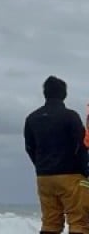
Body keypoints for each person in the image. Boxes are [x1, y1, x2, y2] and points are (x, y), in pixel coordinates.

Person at [24, 75, 89, 234]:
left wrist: (41, 166)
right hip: (71, 175)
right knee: (78, 221)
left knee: (50, 222)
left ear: (45, 93)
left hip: (44, 177)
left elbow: (29, 147)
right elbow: (81, 146)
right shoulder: (70, 116)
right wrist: (85, 171)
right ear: (64, 94)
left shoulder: (32, 118)